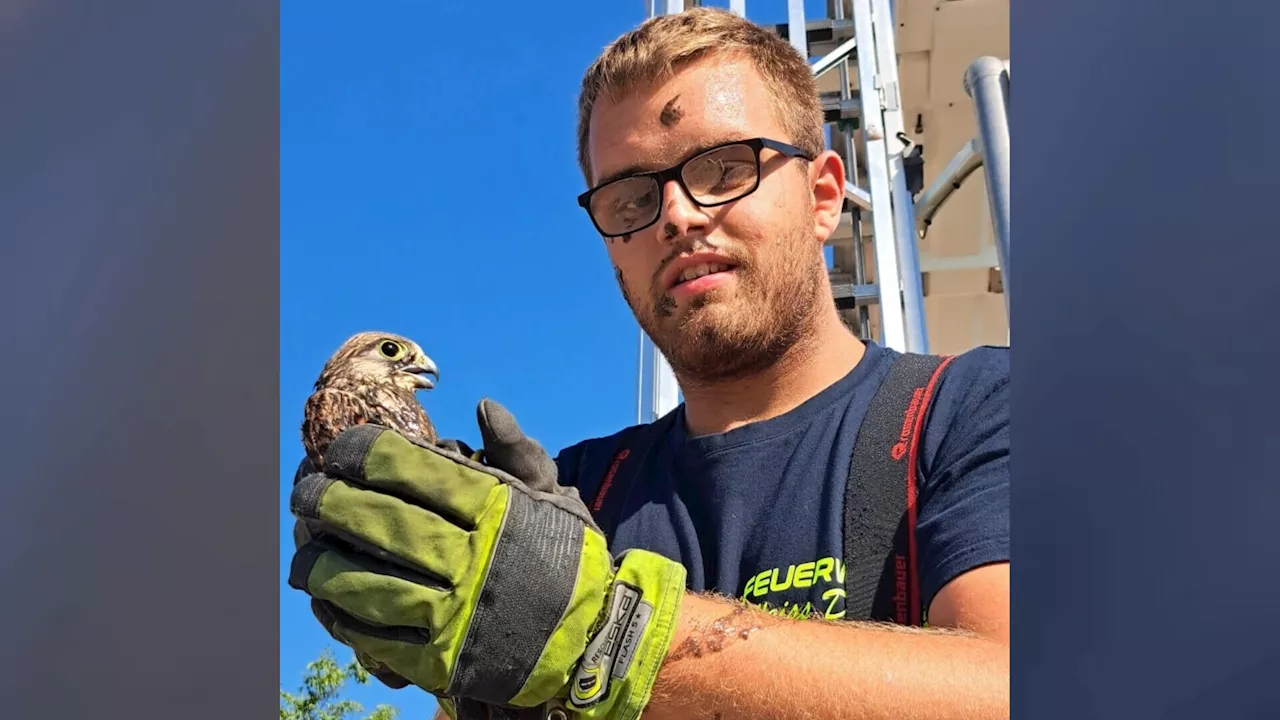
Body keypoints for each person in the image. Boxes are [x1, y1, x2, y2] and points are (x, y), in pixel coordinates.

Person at [287, 8, 1008, 720]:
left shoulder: (977, 411)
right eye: (631, 194)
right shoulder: (556, 498)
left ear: (824, 196)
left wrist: (612, 636)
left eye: (724, 168)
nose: (678, 215)